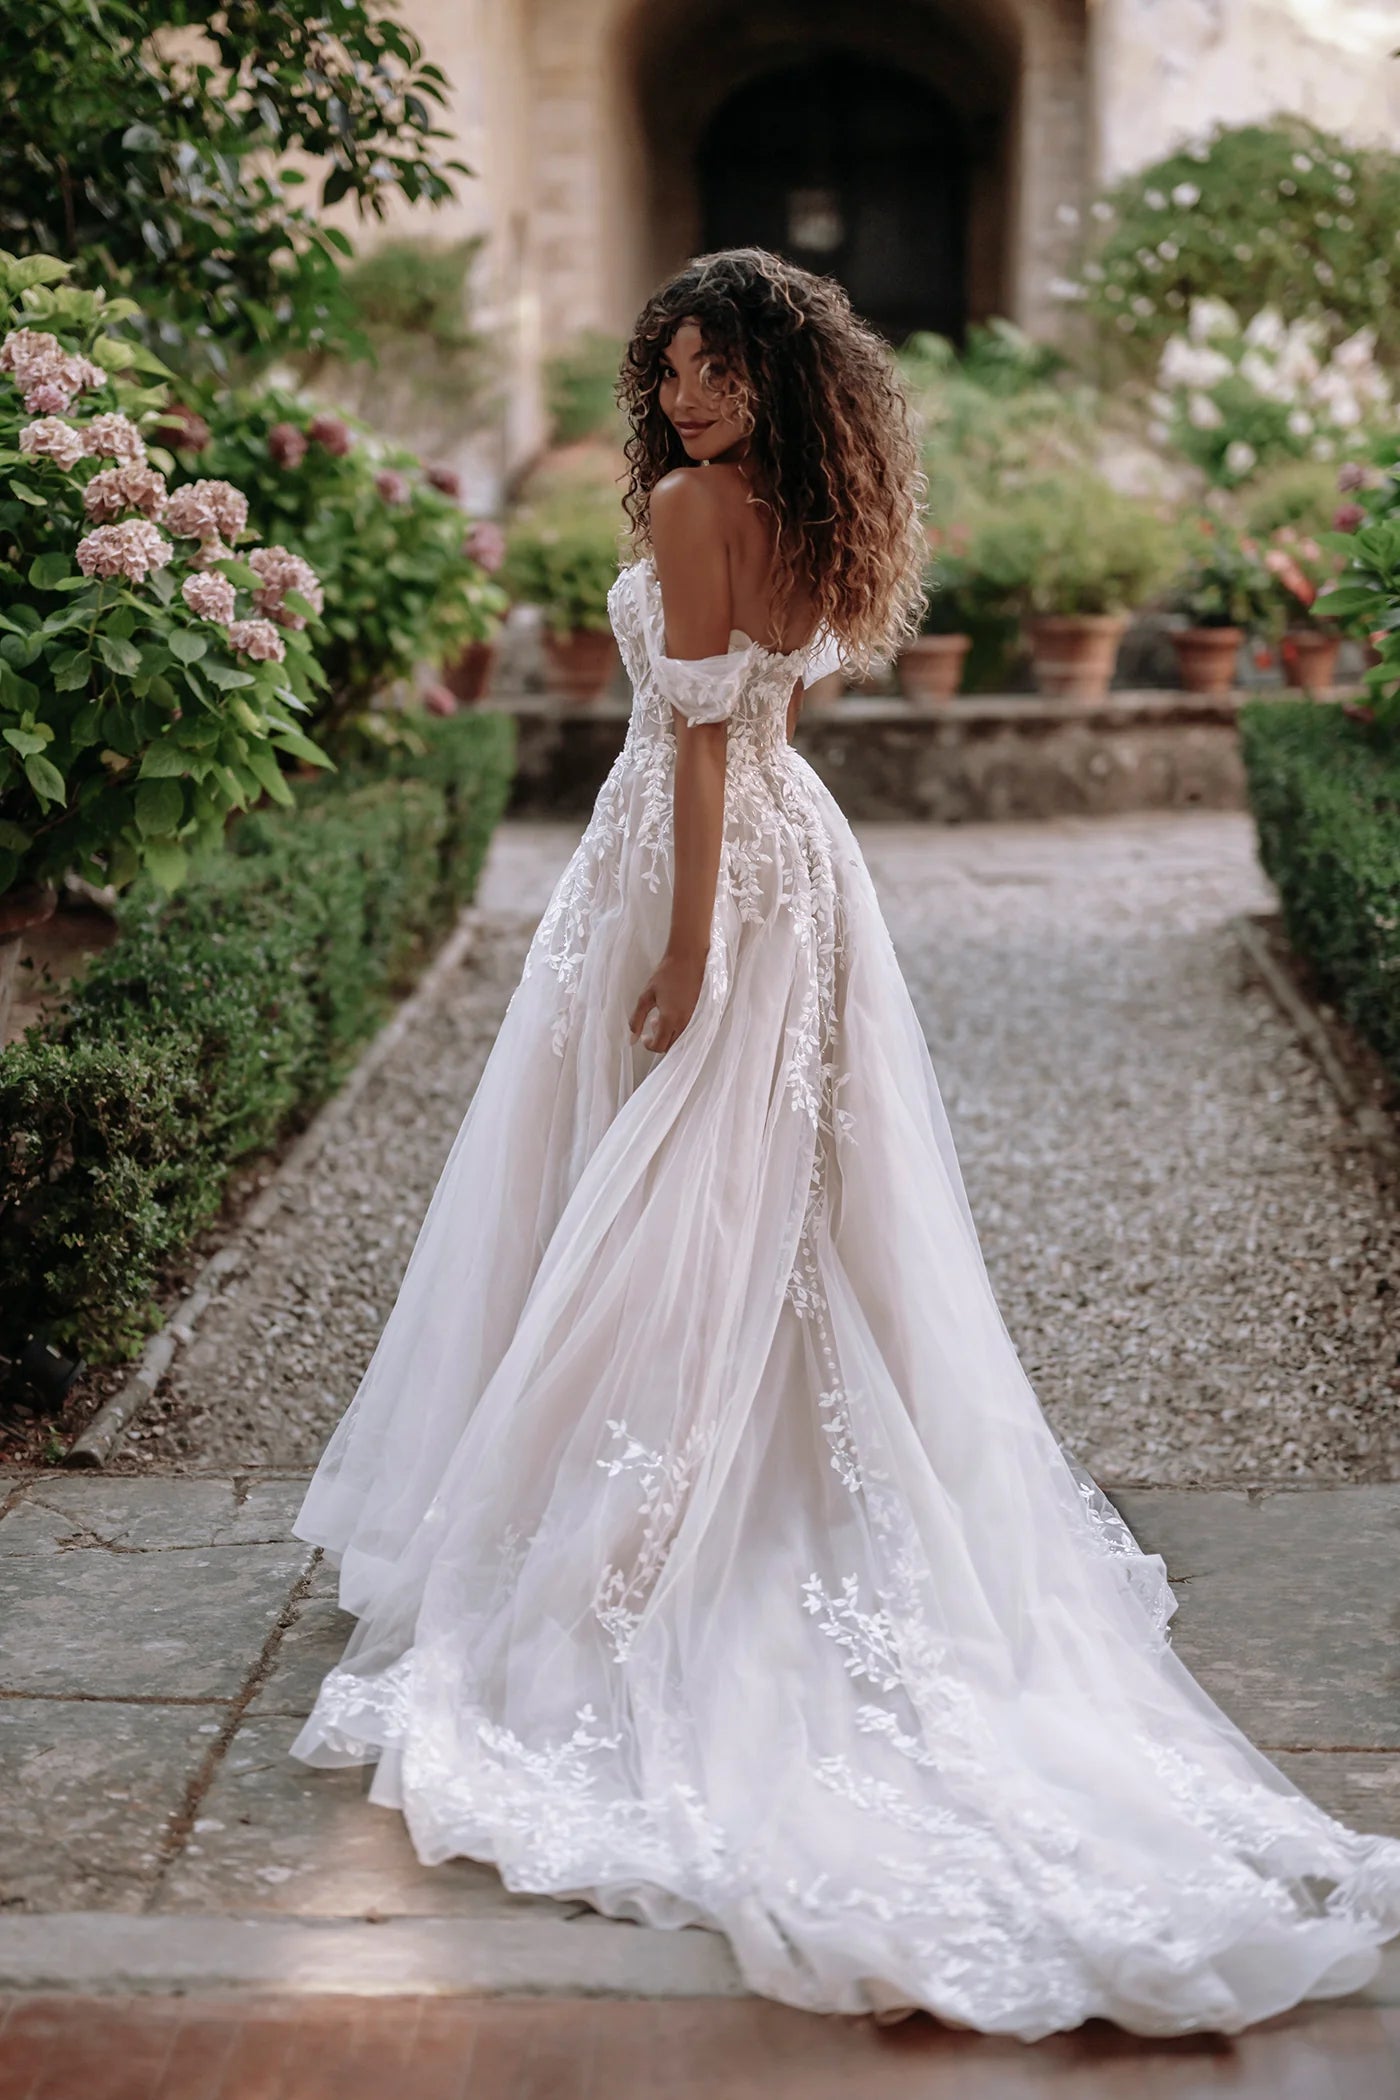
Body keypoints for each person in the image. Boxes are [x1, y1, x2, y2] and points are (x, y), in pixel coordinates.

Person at [291, 248, 1400, 2038]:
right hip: (797, 859)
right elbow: (773, 715)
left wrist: (685, 936)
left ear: (772, 381)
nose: (687, 393)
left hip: (704, 860)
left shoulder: (687, 509)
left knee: (677, 1184)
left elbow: (709, 743)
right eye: (672, 365)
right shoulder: (804, 502)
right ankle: (705, 1459)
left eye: (720, 368)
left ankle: (639, 1510)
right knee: (760, 1193)